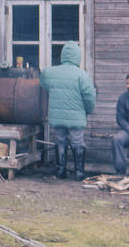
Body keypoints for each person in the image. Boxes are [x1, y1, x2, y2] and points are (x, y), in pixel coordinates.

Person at [39, 41, 96, 180]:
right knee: (77, 142)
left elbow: (43, 82)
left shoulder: (50, 72)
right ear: (78, 56)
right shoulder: (82, 75)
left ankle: (60, 171)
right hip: (76, 117)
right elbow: (89, 97)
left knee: (60, 140)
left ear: (63, 55)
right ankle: (79, 172)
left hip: (57, 115)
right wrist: (88, 111)